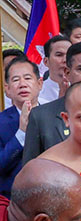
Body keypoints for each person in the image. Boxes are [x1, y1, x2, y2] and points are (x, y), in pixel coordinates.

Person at [0, 57, 42, 198]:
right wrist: (22, 132)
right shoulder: (1, 122)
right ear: (7, 89)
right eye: (16, 80)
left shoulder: (56, 116)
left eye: (27, 78)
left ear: (39, 83)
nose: (22, 84)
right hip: (12, 200)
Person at [38, 35, 71, 104]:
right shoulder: (37, 92)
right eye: (59, 55)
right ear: (46, 61)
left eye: (69, 55)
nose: (65, 60)